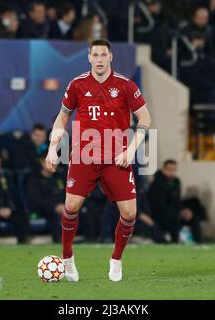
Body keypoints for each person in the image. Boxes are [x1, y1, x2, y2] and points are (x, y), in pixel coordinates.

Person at [45, 39, 150, 282]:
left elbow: (145, 118)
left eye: (104, 55)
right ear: (89, 58)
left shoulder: (125, 85)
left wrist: (132, 148)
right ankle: (67, 259)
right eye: (96, 55)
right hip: (84, 156)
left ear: (111, 57)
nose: (100, 59)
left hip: (117, 157)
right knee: (71, 208)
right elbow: (62, 118)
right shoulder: (77, 84)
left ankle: (116, 260)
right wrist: (53, 148)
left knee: (130, 214)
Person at [147, 160, 182, 243]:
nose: (171, 172)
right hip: (158, 215)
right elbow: (156, 204)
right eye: (169, 169)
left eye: (174, 169)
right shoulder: (157, 183)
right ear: (163, 169)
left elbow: (177, 200)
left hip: (172, 214)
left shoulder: (176, 182)